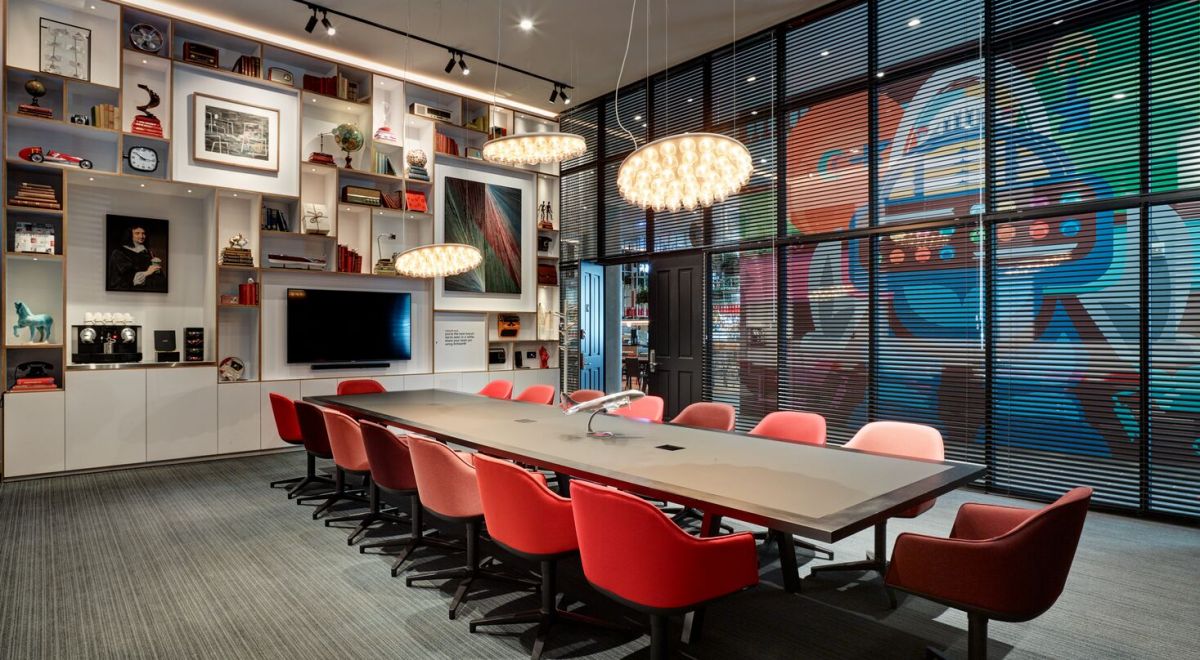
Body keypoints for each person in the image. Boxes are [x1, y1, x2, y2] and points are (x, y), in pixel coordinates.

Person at [107, 224, 164, 291]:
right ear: (130, 235)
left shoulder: (148, 253)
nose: (141, 236)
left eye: (143, 233)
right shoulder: (119, 253)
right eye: (137, 233)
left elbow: (157, 275)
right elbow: (128, 277)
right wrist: (147, 272)